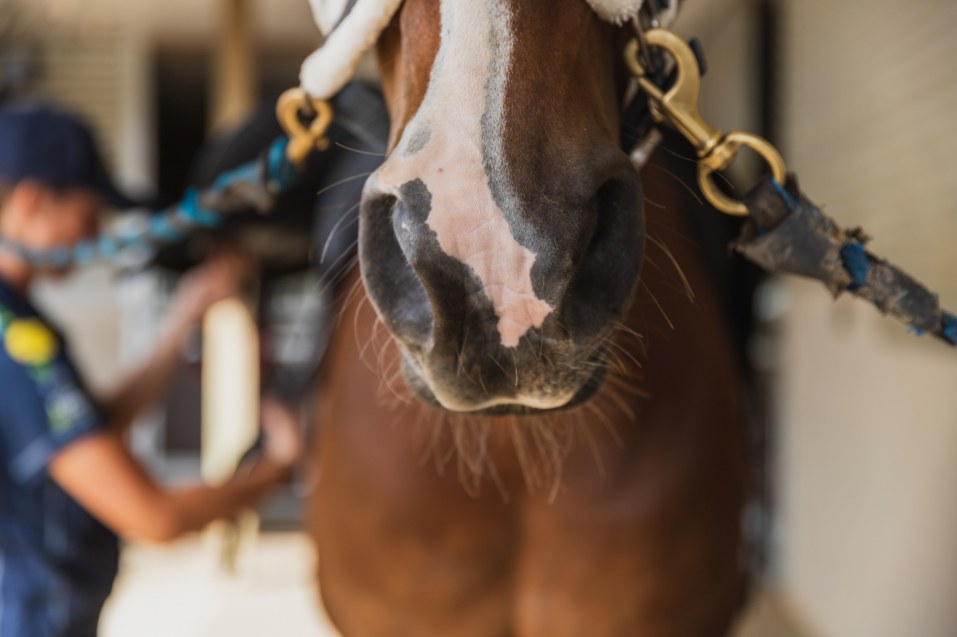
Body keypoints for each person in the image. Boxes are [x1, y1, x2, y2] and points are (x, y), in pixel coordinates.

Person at [0, 104, 301, 637]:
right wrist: (278, 472)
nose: (96, 230)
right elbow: (152, 517)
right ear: (32, 203)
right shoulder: (14, 344)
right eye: (89, 213)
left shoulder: (18, 322)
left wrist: (185, 316)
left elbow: (93, 433)